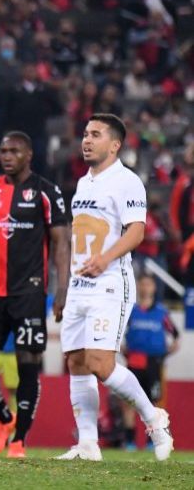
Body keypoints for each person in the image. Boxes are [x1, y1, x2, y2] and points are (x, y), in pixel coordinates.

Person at [55, 114, 173, 462]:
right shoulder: (83, 182)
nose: (86, 140)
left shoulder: (127, 181)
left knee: (100, 363)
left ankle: (153, 418)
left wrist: (104, 260)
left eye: (95, 134)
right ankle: (88, 444)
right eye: (85, 133)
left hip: (109, 283)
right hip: (79, 283)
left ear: (115, 144)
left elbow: (136, 231)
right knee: (76, 361)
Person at [0, 131, 70, 458]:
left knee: (28, 362)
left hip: (29, 293)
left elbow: (61, 243)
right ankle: (5, 418)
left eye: (14, 151)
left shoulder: (46, 192)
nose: (6, 156)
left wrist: (62, 289)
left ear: (28, 155)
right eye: (3, 151)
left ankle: (20, 440)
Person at [121, 274, 180, 450]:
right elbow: (120, 334)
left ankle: (151, 442)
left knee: (154, 403)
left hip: (154, 363)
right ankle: (130, 441)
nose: (146, 288)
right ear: (138, 287)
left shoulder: (162, 313)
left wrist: (164, 355)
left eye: (149, 284)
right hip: (134, 361)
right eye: (143, 284)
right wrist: (124, 351)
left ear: (154, 288)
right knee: (129, 402)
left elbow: (176, 336)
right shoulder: (131, 311)